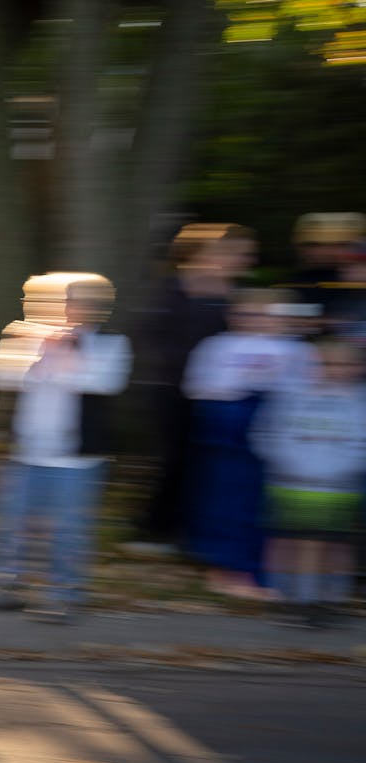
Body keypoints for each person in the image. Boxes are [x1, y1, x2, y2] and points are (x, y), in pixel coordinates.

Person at [0, 274, 131, 620]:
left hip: (77, 457)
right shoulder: (26, 338)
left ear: (93, 308)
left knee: (69, 528)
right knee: (9, 522)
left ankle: (63, 593)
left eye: (74, 301)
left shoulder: (111, 344)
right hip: (24, 450)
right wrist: (38, 353)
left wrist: (65, 357)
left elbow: (105, 382)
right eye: (59, 300)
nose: (65, 308)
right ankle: (4, 586)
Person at [128, 223, 255, 553]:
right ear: (207, 252)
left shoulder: (236, 296)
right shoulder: (172, 290)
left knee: (204, 461)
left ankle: (194, 529)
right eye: (238, 252)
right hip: (172, 390)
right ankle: (153, 528)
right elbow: (150, 336)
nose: (246, 259)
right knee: (176, 458)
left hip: (218, 394)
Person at [182, 287, 315, 599]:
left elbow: (304, 388)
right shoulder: (217, 345)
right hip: (228, 427)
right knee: (226, 499)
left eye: (267, 314)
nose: (256, 320)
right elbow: (198, 386)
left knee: (264, 502)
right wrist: (239, 393)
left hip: (277, 425)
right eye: (247, 313)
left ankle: (256, 567)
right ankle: (223, 566)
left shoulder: (297, 350)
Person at [251, 334, 366, 626]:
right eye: (324, 363)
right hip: (291, 483)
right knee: (290, 542)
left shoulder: (360, 401)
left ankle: (328, 598)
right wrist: (284, 460)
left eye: (342, 364)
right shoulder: (291, 396)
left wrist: (342, 467)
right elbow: (266, 432)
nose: (332, 369)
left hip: (339, 488)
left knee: (333, 545)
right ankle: (289, 597)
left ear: (357, 367)